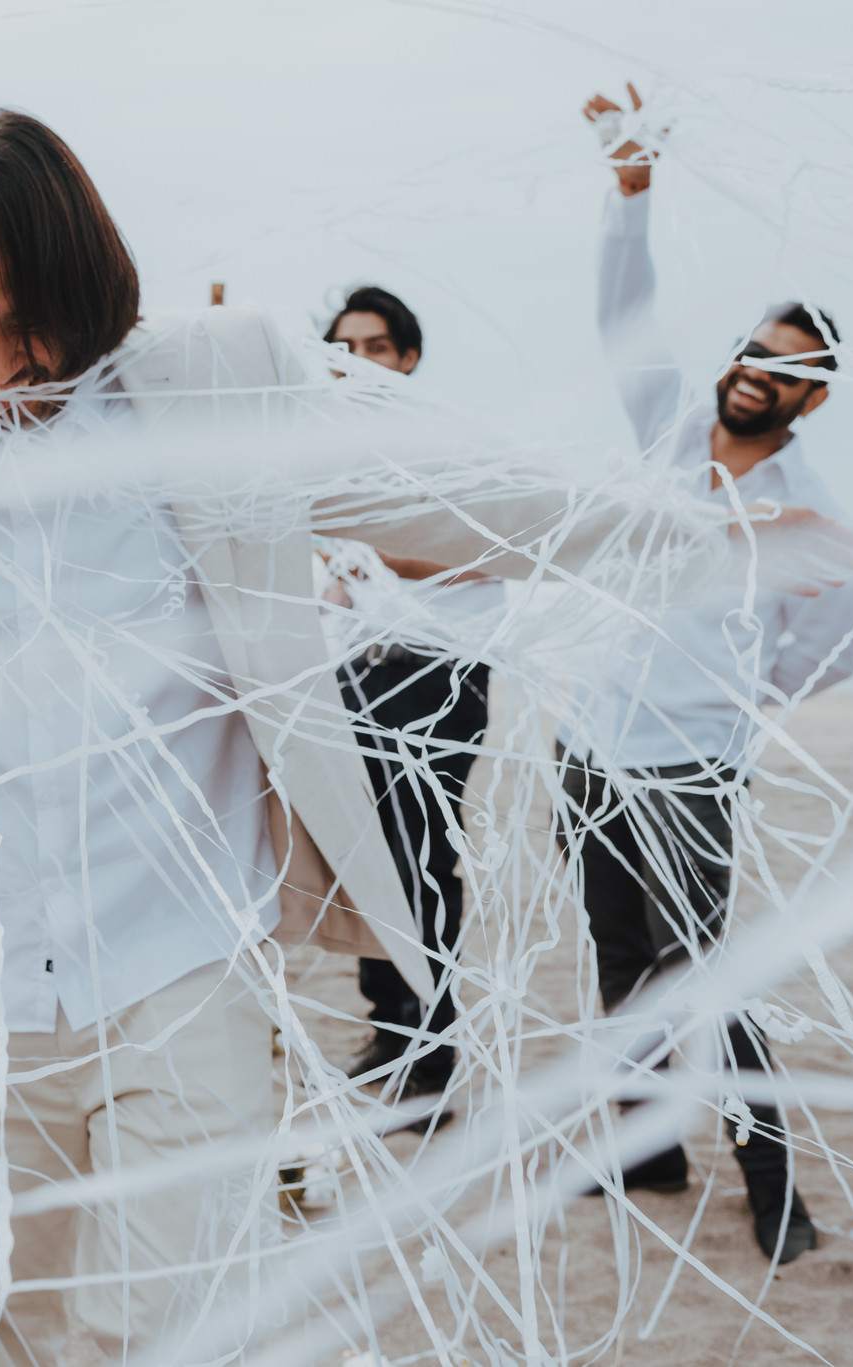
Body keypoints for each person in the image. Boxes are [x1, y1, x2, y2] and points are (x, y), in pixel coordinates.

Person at [0, 108, 851, 1365]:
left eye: (24, 322)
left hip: (178, 958)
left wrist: (701, 538)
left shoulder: (207, 386)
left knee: (178, 1321)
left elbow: (451, 495)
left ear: (85, 288)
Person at [557, 84, 853, 1265]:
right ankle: (646, 1149)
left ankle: (771, 1184)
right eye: (750, 352)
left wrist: (722, 699)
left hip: (688, 766)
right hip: (586, 744)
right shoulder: (664, 436)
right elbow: (621, 317)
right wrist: (630, 192)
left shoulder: (812, 516)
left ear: (813, 396)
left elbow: (822, 652)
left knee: (704, 975)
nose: (753, 374)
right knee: (619, 960)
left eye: (783, 370)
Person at [323, 286, 498, 1100]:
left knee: (420, 859)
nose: (357, 362)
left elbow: (486, 552)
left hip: (437, 675)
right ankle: (390, 1030)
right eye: (343, 348)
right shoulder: (333, 451)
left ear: (408, 358)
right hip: (357, 671)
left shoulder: (446, 443)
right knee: (363, 854)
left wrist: (380, 553)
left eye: (375, 347)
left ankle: (431, 1055)